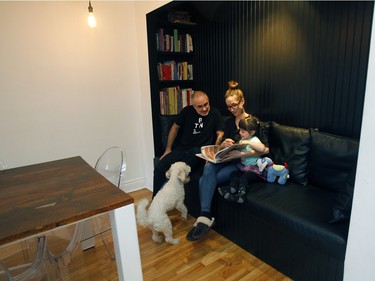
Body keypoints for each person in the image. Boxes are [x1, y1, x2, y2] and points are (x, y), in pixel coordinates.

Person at [186, 81, 269, 241]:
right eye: (229, 107)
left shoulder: (253, 122)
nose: (232, 110)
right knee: (209, 167)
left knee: (205, 179)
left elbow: (265, 149)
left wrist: (237, 155)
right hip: (227, 159)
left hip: (241, 164)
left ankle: (204, 218)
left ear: (242, 102)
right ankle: (204, 216)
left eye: (234, 105)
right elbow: (226, 141)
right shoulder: (229, 122)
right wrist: (224, 144)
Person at [152, 91, 224, 197]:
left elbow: (220, 134)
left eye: (206, 104)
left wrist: (212, 153)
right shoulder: (187, 111)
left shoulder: (215, 113)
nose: (204, 108)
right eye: (200, 107)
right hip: (182, 148)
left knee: (185, 163)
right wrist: (168, 149)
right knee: (159, 167)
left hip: (200, 151)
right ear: (193, 106)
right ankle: (155, 200)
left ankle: (170, 189)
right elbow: (174, 128)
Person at [219, 116, 267, 203]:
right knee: (234, 174)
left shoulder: (254, 140)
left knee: (244, 178)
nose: (240, 133)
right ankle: (233, 188)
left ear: (252, 132)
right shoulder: (242, 139)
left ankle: (241, 195)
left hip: (255, 169)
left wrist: (248, 142)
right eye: (240, 130)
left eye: (243, 131)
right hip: (245, 167)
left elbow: (262, 149)